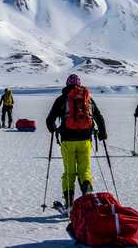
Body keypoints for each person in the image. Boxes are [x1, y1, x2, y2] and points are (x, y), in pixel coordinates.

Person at [46, 74, 107, 209]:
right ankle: (88, 199)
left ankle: (69, 205)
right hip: (85, 140)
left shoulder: (62, 99)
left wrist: (54, 130)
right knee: (85, 170)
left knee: (69, 172)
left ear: (67, 84)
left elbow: (49, 120)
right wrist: (103, 133)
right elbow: (98, 117)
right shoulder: (87, 98)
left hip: (68, 141)